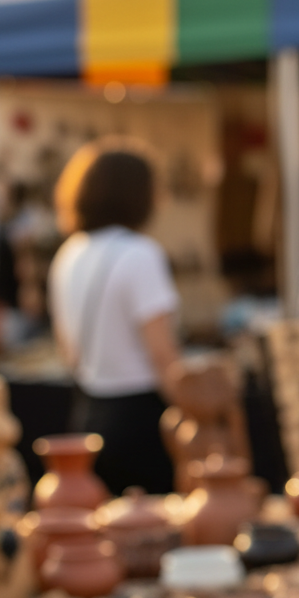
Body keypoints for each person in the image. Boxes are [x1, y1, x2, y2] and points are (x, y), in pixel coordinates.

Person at [49, 140, 179, 495]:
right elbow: (162, 355)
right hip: (140, 420)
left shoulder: (69, 253)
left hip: (88, 412)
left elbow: (68, 351)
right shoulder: (140, 254)